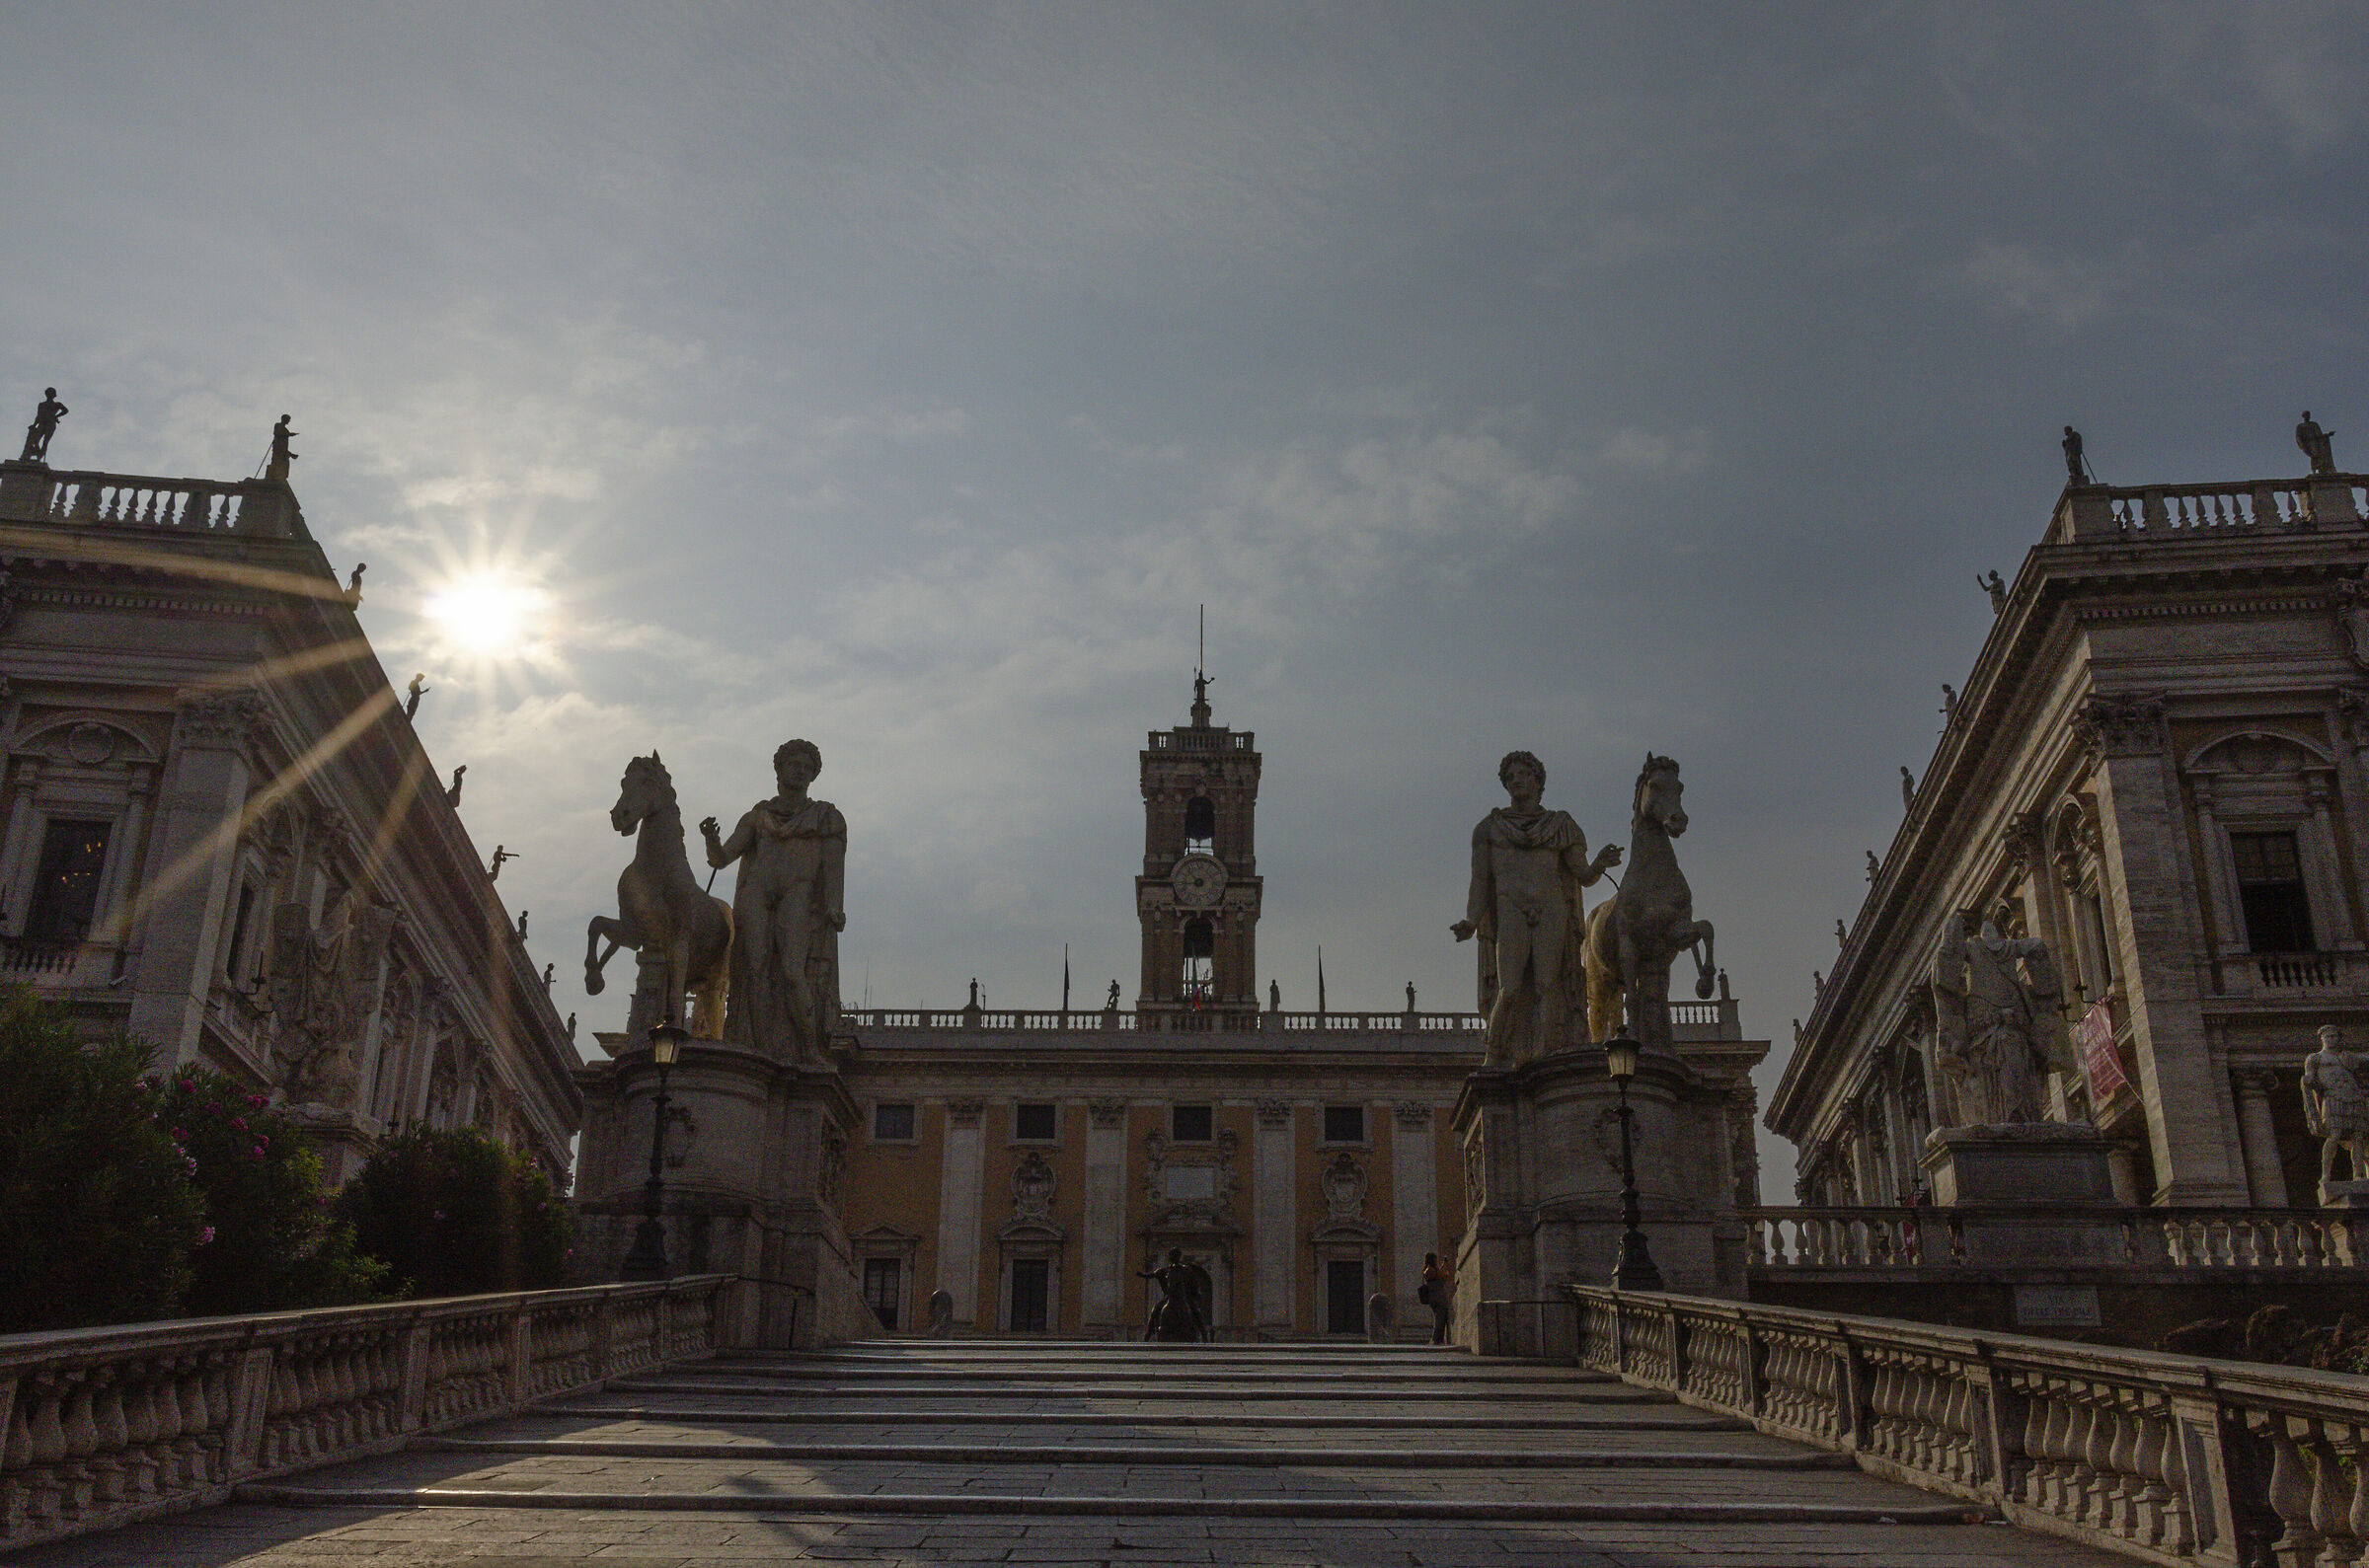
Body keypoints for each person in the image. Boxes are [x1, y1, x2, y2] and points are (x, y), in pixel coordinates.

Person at [1452, 751, 1620, 1067]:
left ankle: (1545, 1054)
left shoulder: (1560, 825)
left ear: (1537, 781)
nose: (1516, 780)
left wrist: (1599, 863)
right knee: (1510, 987)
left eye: (1523, 774)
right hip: (1510, 910)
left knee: (1547, 985)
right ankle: (1495, 1054)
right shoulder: (1489, 829)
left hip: (1552, 908)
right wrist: (1472, 920)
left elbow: (1582, 874)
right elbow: (1480, 881)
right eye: (1510, 776)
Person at [702, 739, 847, 1066]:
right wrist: (711, 840)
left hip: (799, 892)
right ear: (779, 768)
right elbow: (722, 858)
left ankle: (808, 1047)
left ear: (814, 776)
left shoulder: (825, 817)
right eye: (794, 764)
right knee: (753, 969)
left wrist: (834, 906)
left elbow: (835, 865)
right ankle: (756, 1048)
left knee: (794, 971)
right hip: (757, 891)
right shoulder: (757, 817)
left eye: (807, 768)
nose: (800, 771)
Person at [20, 388, 66, 463]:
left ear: (54, 395)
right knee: (35, 439)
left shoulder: (57, 404)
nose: (50, 394)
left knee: (45, 442)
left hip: (50, 424)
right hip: (42, 423)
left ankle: (39, 457)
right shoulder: (41, 404)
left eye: (51, 393)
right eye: (48, 393)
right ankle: (35, 453)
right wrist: (34, 425)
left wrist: (56, 416)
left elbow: (65, 410)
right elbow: (38, 416)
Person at [1418, 1252, 1452, 1344]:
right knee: (1440, 1319)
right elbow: (1443, 1276)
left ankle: (1437, 1339)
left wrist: (1443, 1265)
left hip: (1433, 1297)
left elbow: (1439, 1274)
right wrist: (1446, 1267)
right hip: (1438, 1297)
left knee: (1439, 1318)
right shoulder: (1431, 1271)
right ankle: (1436, 1339)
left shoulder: (1428, 1270)